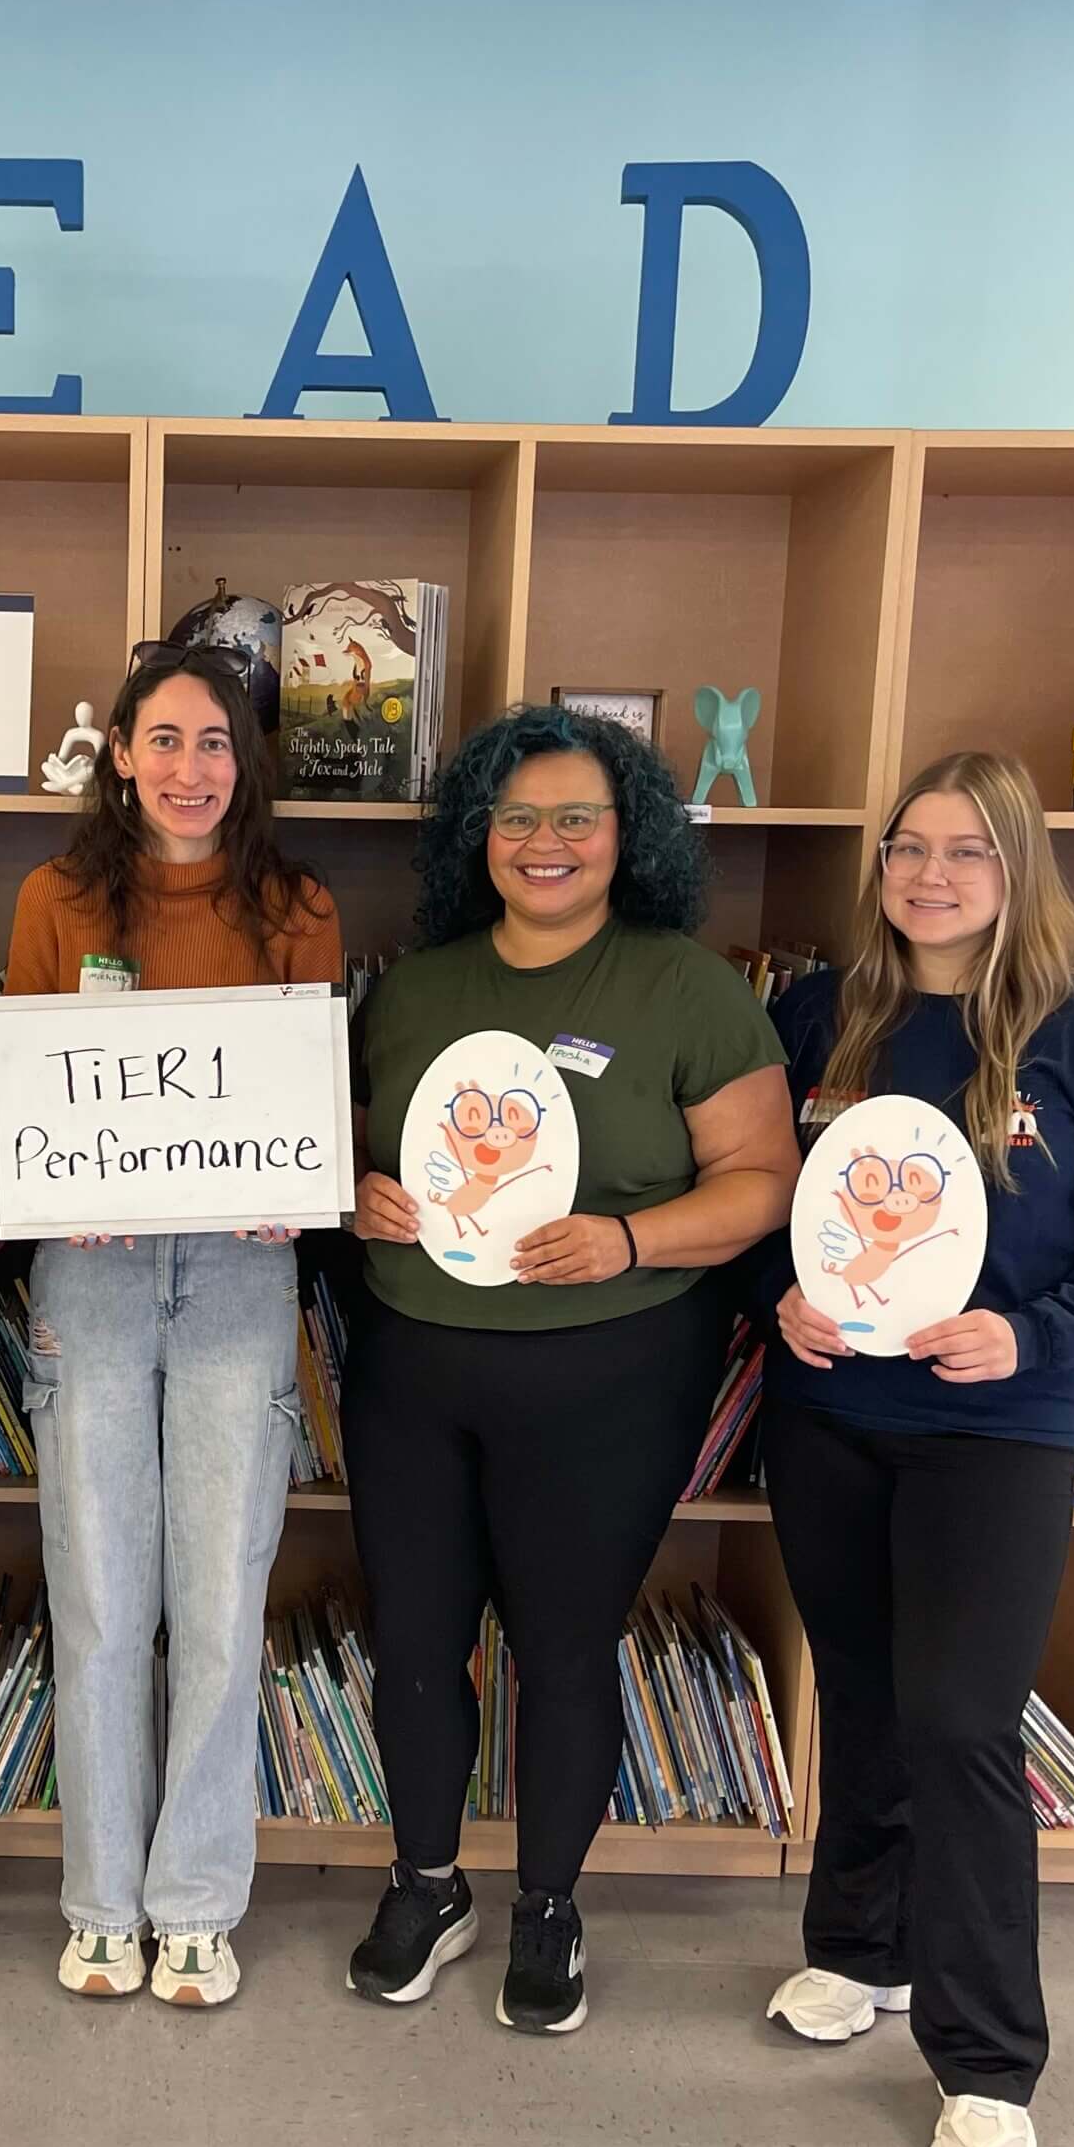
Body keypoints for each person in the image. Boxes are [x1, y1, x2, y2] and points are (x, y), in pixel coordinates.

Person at [762, 750, 1074, 2147]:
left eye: (965, 852)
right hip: (828, 1416)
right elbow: (772, 1203)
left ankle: (985, 2059)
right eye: (906, 847)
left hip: (995, 1432)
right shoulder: (819, 1015)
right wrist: (774, 1294)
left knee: (959, 1721)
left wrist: (1029, 1338)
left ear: (1017, 872)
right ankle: (857, 1949)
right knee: (869, 1697)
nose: (928, 875)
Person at [344, 706, 798, 2031]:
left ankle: (547, 1903)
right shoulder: (416, 987)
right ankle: (424, 1884)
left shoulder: (683, 985)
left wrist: (624, 1238)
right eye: (516, 818)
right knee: (415, 1646)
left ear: (625, 836)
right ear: (477, 837)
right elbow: (367, 1157)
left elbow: (762, 1184)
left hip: (606, 1375)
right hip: (412, 1371)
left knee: (562, 1648)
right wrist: (363, 1196)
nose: (543, 844)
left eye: (574, 819)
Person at [5, 642, 342, 2007]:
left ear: (241, 761)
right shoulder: (56, 894)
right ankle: (97, 1900)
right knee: (94, 1593)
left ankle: (195, 1897)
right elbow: (30, 1073)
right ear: (120, 753)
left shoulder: (295, 901)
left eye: (213, 743)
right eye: (162, 740)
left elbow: (311, 1080)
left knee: (217, 1588)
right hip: (87, 1266)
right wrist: (50, 1177)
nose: (188, 769)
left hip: (236, 1270)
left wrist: (292, 1190)